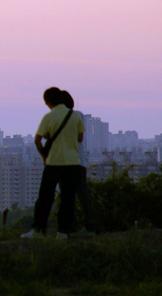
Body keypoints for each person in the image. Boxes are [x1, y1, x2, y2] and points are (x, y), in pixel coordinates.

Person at [21, 87, 94, 240]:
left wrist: (44, 156)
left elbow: (37, 140)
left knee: (45, 197)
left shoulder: (49, 117)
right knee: (68, 199)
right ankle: (63, 232)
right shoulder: (75, 117)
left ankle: (39, 230)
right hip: (73, 163)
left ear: (48, 102)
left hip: (53, 163)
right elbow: (79, 138)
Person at [60, 90, 95, 237]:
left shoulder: (73, 116)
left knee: (78, 196)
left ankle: (87, 228)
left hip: (74, 163)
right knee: (74, 197)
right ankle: (74, 228)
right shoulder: (75, 116)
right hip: (72, 163)